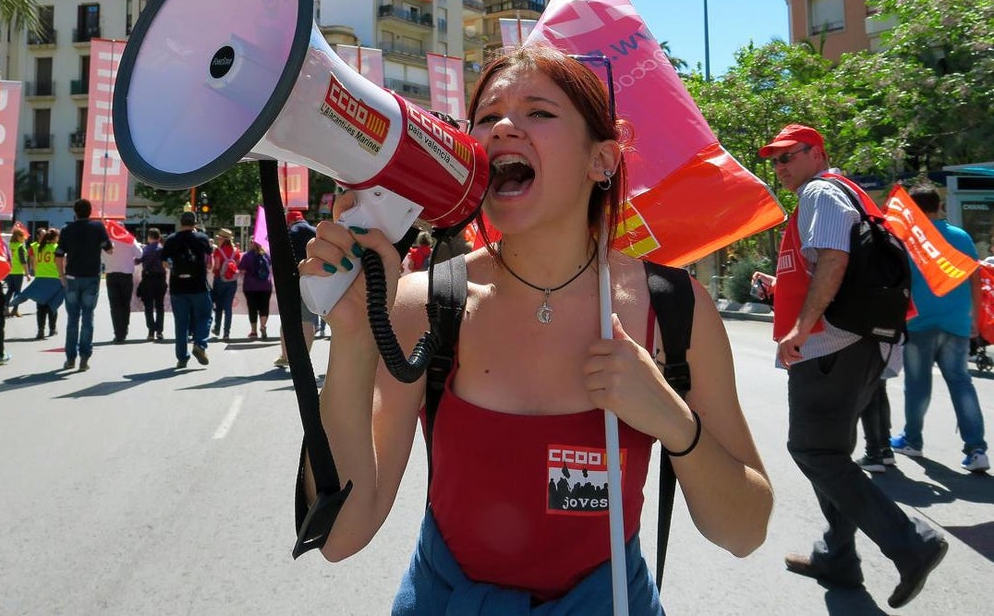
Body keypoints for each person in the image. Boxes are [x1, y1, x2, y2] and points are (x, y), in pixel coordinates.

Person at [300, 45, 772, 611]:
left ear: (603, 161)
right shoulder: (424, 303)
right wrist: (352, 338)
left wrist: (672, 420)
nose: (502, 127)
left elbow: (744, 532)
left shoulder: (674, 309)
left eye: (539, 113)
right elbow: (341, 536)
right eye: (486, 117)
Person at [751, 124, 948, 609]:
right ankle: (837, 556)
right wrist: (781, 292)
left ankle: (911, 542)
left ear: (816, 154)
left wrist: (800, 328)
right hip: (859, 341)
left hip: (831, 345)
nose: (779, 168)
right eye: (773, 161)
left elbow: (836, 259)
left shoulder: (820, 190)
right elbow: (829, 267)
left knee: (815, 453)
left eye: (788, 157)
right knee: (831, 453)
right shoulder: (847, 192)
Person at [890, 184, 988, 472]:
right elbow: (975, 279)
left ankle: (912, 440)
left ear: (915, 211)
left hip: (919, 323)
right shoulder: (962, 237)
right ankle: (977, 449)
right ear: (939, 205)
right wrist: (975, 319)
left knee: (918, 386)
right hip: (957, 322)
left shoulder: (911, 241)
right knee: (961, 383)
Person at [55, 198, 112, 372]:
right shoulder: (97, 228)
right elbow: (109, 249)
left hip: (72, 277)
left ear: (75, 212)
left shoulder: (66, 229)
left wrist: (61, 275)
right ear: (90, 211)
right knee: (88, 317)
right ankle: (84, 358)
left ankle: (70, 358)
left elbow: (58, 255)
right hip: (91, 277)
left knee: (72, 319)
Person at [160, 211, 213, 368]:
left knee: (181, 323)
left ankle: (182, 357)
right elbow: (210, 254)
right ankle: (200, 344)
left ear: (180, 223)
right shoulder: (201, 238)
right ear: (195, 223)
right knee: (205, 316)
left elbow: (164, 262)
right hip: (198, 286)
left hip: (178, 287)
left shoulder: (171, 239)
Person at [275, 210, 316, 368]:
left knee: (288, 319)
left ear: (289, 221)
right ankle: (305, 356)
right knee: (307, 319)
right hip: (312, 278)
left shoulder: (289, 233)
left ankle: (286, 356)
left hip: (291, 280)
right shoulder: (315, 231)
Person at [104, 224, 142, 344]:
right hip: (126, 276)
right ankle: (124, 330)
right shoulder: (129, 239)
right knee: (126, 305)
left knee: (114, 306)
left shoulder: (106, 241)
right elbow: (140, 254)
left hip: (111, 276)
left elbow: (100, 257)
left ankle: (118, 333)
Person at [26, 228, 63, 339]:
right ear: (54, 238)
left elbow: (32, 258)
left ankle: (40, 330)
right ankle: (52, 328)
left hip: (40, 279)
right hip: (54, 279)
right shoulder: (56, 248)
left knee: (40, 307)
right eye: (57, 236)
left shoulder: (37, 247)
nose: (58, 238)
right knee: (52, 305)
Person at [136, 227, 167, 342]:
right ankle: (160, 331)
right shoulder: (163, 249)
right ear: (159, 237)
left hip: (148, 279)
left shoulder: (146, 249)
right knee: (160, 305)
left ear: (149, 237)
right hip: (160, 278)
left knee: (148, 306)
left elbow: (137, 261)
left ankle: (151, 331)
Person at [238, 240, 273, 340]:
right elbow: (270, 267)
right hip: (266, 285)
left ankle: (254, 331)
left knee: (252, 308)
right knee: (264, 307)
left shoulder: (246, 256)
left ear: (251, 244)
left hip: (250, 286)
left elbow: (242, 270)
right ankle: (263, 326)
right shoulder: (266, 255)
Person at [211, 228, 241, 341]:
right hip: (232, 281)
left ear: (222, 239)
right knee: (228, 307)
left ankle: (217, 328)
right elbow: (236, 267)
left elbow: (217, 267)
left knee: (219, 306)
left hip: (220, 280)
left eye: (219, 238)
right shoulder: (236, 251)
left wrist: (214, 272)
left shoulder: (218, 251)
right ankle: (226, 333)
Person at [4, 224, 31, 316]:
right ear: (18, 236)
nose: (24, 238)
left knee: (10, 289)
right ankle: (15, 310)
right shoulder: (20, 247)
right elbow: (24, 261)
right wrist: (27, 273)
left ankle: (5, 307)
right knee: (17, 291)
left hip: (8, 271)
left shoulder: (9, 245)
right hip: (18, 272)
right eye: (22, 236)